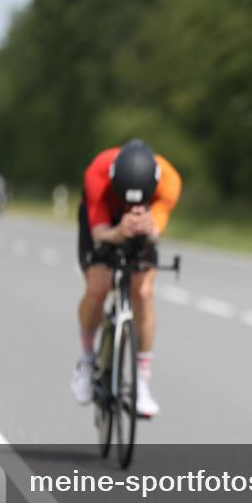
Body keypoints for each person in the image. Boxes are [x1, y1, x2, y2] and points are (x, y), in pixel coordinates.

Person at [70, 140, 182, 417]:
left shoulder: (169, 181)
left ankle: (142, 382)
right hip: (105, 221)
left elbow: (156, 231)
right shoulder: (97, 174)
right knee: (98, 287)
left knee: (142, 293)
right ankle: (86, 359)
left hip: (141, 223)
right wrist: (117, 233)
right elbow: (99, 234)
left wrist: (149, 229)